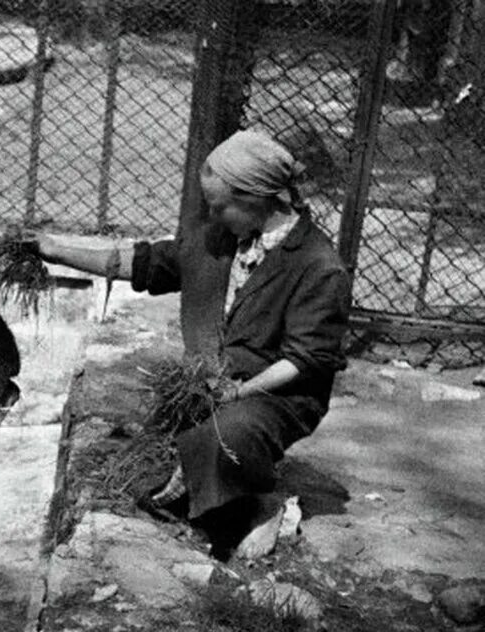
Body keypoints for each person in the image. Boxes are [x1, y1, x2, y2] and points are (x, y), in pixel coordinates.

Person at [35, 129, 351, 539]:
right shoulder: (219, 238)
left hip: (275, 396)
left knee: (223, 438)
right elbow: (147, 262)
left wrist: (239, 392)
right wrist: (59, 252)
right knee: (147, 459)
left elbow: (303, 360)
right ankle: (212, 488)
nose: (212, 215)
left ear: (255, 199)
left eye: (219, 206)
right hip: (209, 388)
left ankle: (250, 510)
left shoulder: (319, 266)